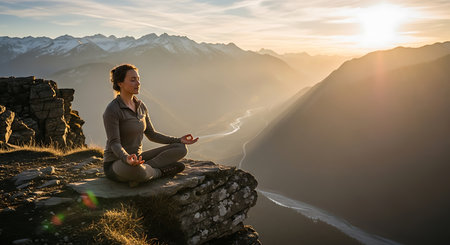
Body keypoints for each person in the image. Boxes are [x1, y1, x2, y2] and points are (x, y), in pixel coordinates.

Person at [103, 64, 198, 187]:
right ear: (120, 83)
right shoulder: (112, 110)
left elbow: (152, 134)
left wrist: (179, 140)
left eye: (138, 79)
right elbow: (114, 143)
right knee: (137, 171)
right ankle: (159, 172)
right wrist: (126, 158)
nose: (138, 83)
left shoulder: (140, 106)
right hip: (116, 162)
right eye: (133, 80)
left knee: (181, 148)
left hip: (139, 158)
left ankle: (145, 171)